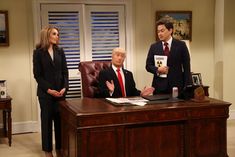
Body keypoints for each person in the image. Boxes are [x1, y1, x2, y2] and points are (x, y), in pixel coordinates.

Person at [33, 26, 68, 157]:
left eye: (58, 34)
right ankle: (48, 150)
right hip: (45, 94)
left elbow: (65, 72)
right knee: (46, 122)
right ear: (47, 35)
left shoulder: (60, 51)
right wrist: (49, 90)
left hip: (60, 93)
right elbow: (38, 75)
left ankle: (59, 148)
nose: (57, 36)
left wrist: (65, 87)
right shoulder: (38, 53)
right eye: (54, 34)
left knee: (60, 123)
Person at [145, 17, 192, 94]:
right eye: (158, 31)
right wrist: (157, 69)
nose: (159, 34)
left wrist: (187, 87)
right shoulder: (154, 47)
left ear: (170, 30)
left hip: (177, 87)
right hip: (159, 87)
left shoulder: (181, 45)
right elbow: (148, 66)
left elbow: (187, 68)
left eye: (162, 31)